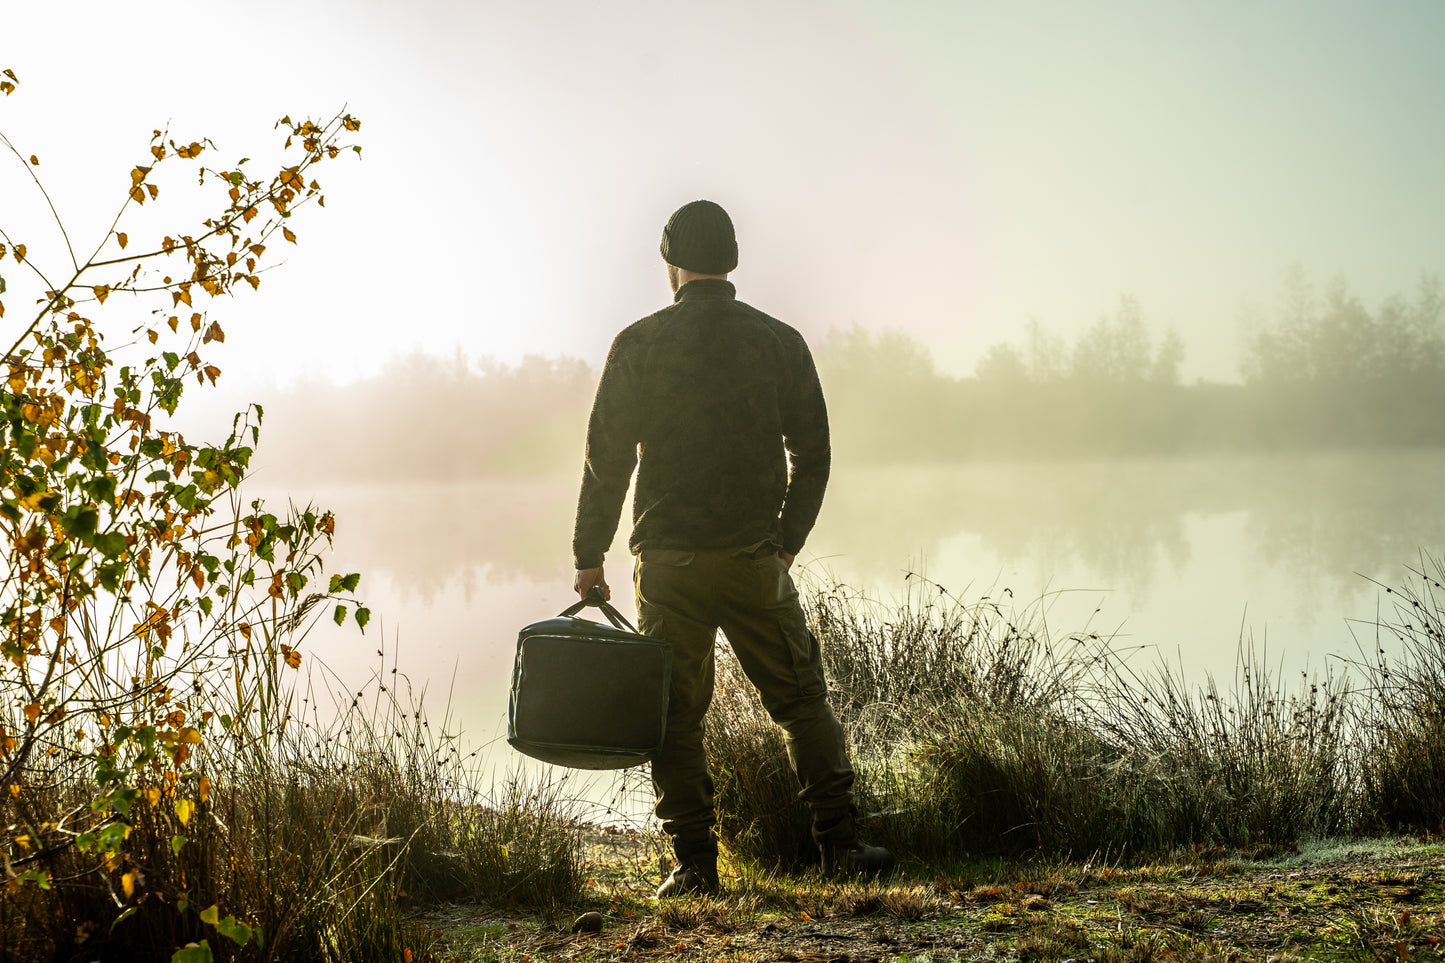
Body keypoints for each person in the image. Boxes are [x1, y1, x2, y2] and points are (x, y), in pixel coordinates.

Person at [571, 199, 893, 898]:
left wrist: (588, 555)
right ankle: (841, 843)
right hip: (754, 559)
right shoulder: (778, 341)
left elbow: (606, 460)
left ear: (671, 265)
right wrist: (784, 545)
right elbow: (814, 455)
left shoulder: (638, 342)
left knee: (674, 716)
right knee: (802, 702)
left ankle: (694, 864)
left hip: (667, 567)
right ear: (732, 262)